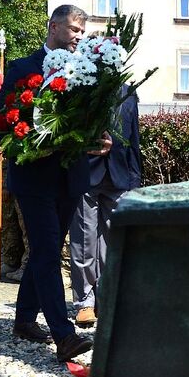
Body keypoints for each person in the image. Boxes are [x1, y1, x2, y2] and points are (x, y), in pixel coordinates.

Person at [0, 4, 110, 363]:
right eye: (73, 29)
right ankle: (64, 335)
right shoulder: (22, 68)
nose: (78, 37)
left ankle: (25, 319)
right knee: (45, 250)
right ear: (53, 26)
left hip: (70, 177)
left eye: (82, 32)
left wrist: (101, 141)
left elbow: (90, 123)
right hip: (33, 176)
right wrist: (24, 141)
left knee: (47, 249)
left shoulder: (85, 73)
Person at [69, 84, 142, 327]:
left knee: (115, 239)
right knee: (85, 239)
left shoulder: (129, 92)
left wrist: (135, 179)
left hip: (119, 177)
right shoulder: (81, 87)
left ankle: (108, 298)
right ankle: (84, 303)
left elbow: (133, 138)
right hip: (86, 174)